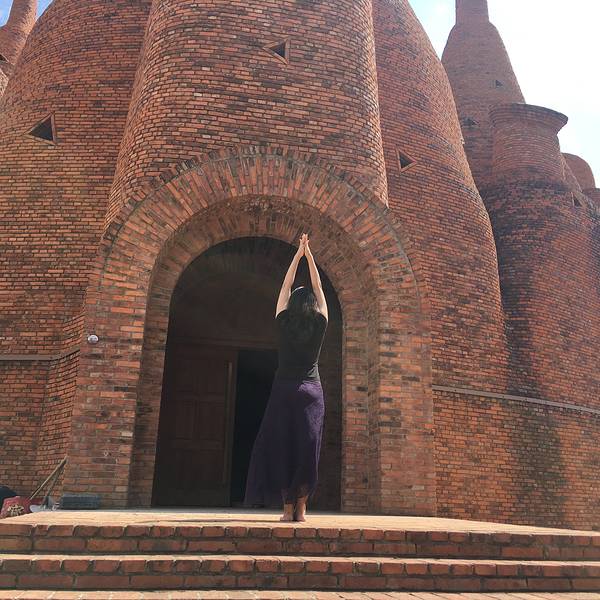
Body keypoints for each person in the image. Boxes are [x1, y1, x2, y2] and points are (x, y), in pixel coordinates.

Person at [244, 233, 328, 522]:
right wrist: (309, 255)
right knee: (307, 448)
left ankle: (287, 509)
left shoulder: (283, 321)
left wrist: (297, 254)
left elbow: (285, 285)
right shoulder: (320, 322)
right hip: (311, 391)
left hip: (283, 390)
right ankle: (302, 510)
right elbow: (318, 286)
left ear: (292, 303)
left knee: (282, 445)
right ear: (313, 304)